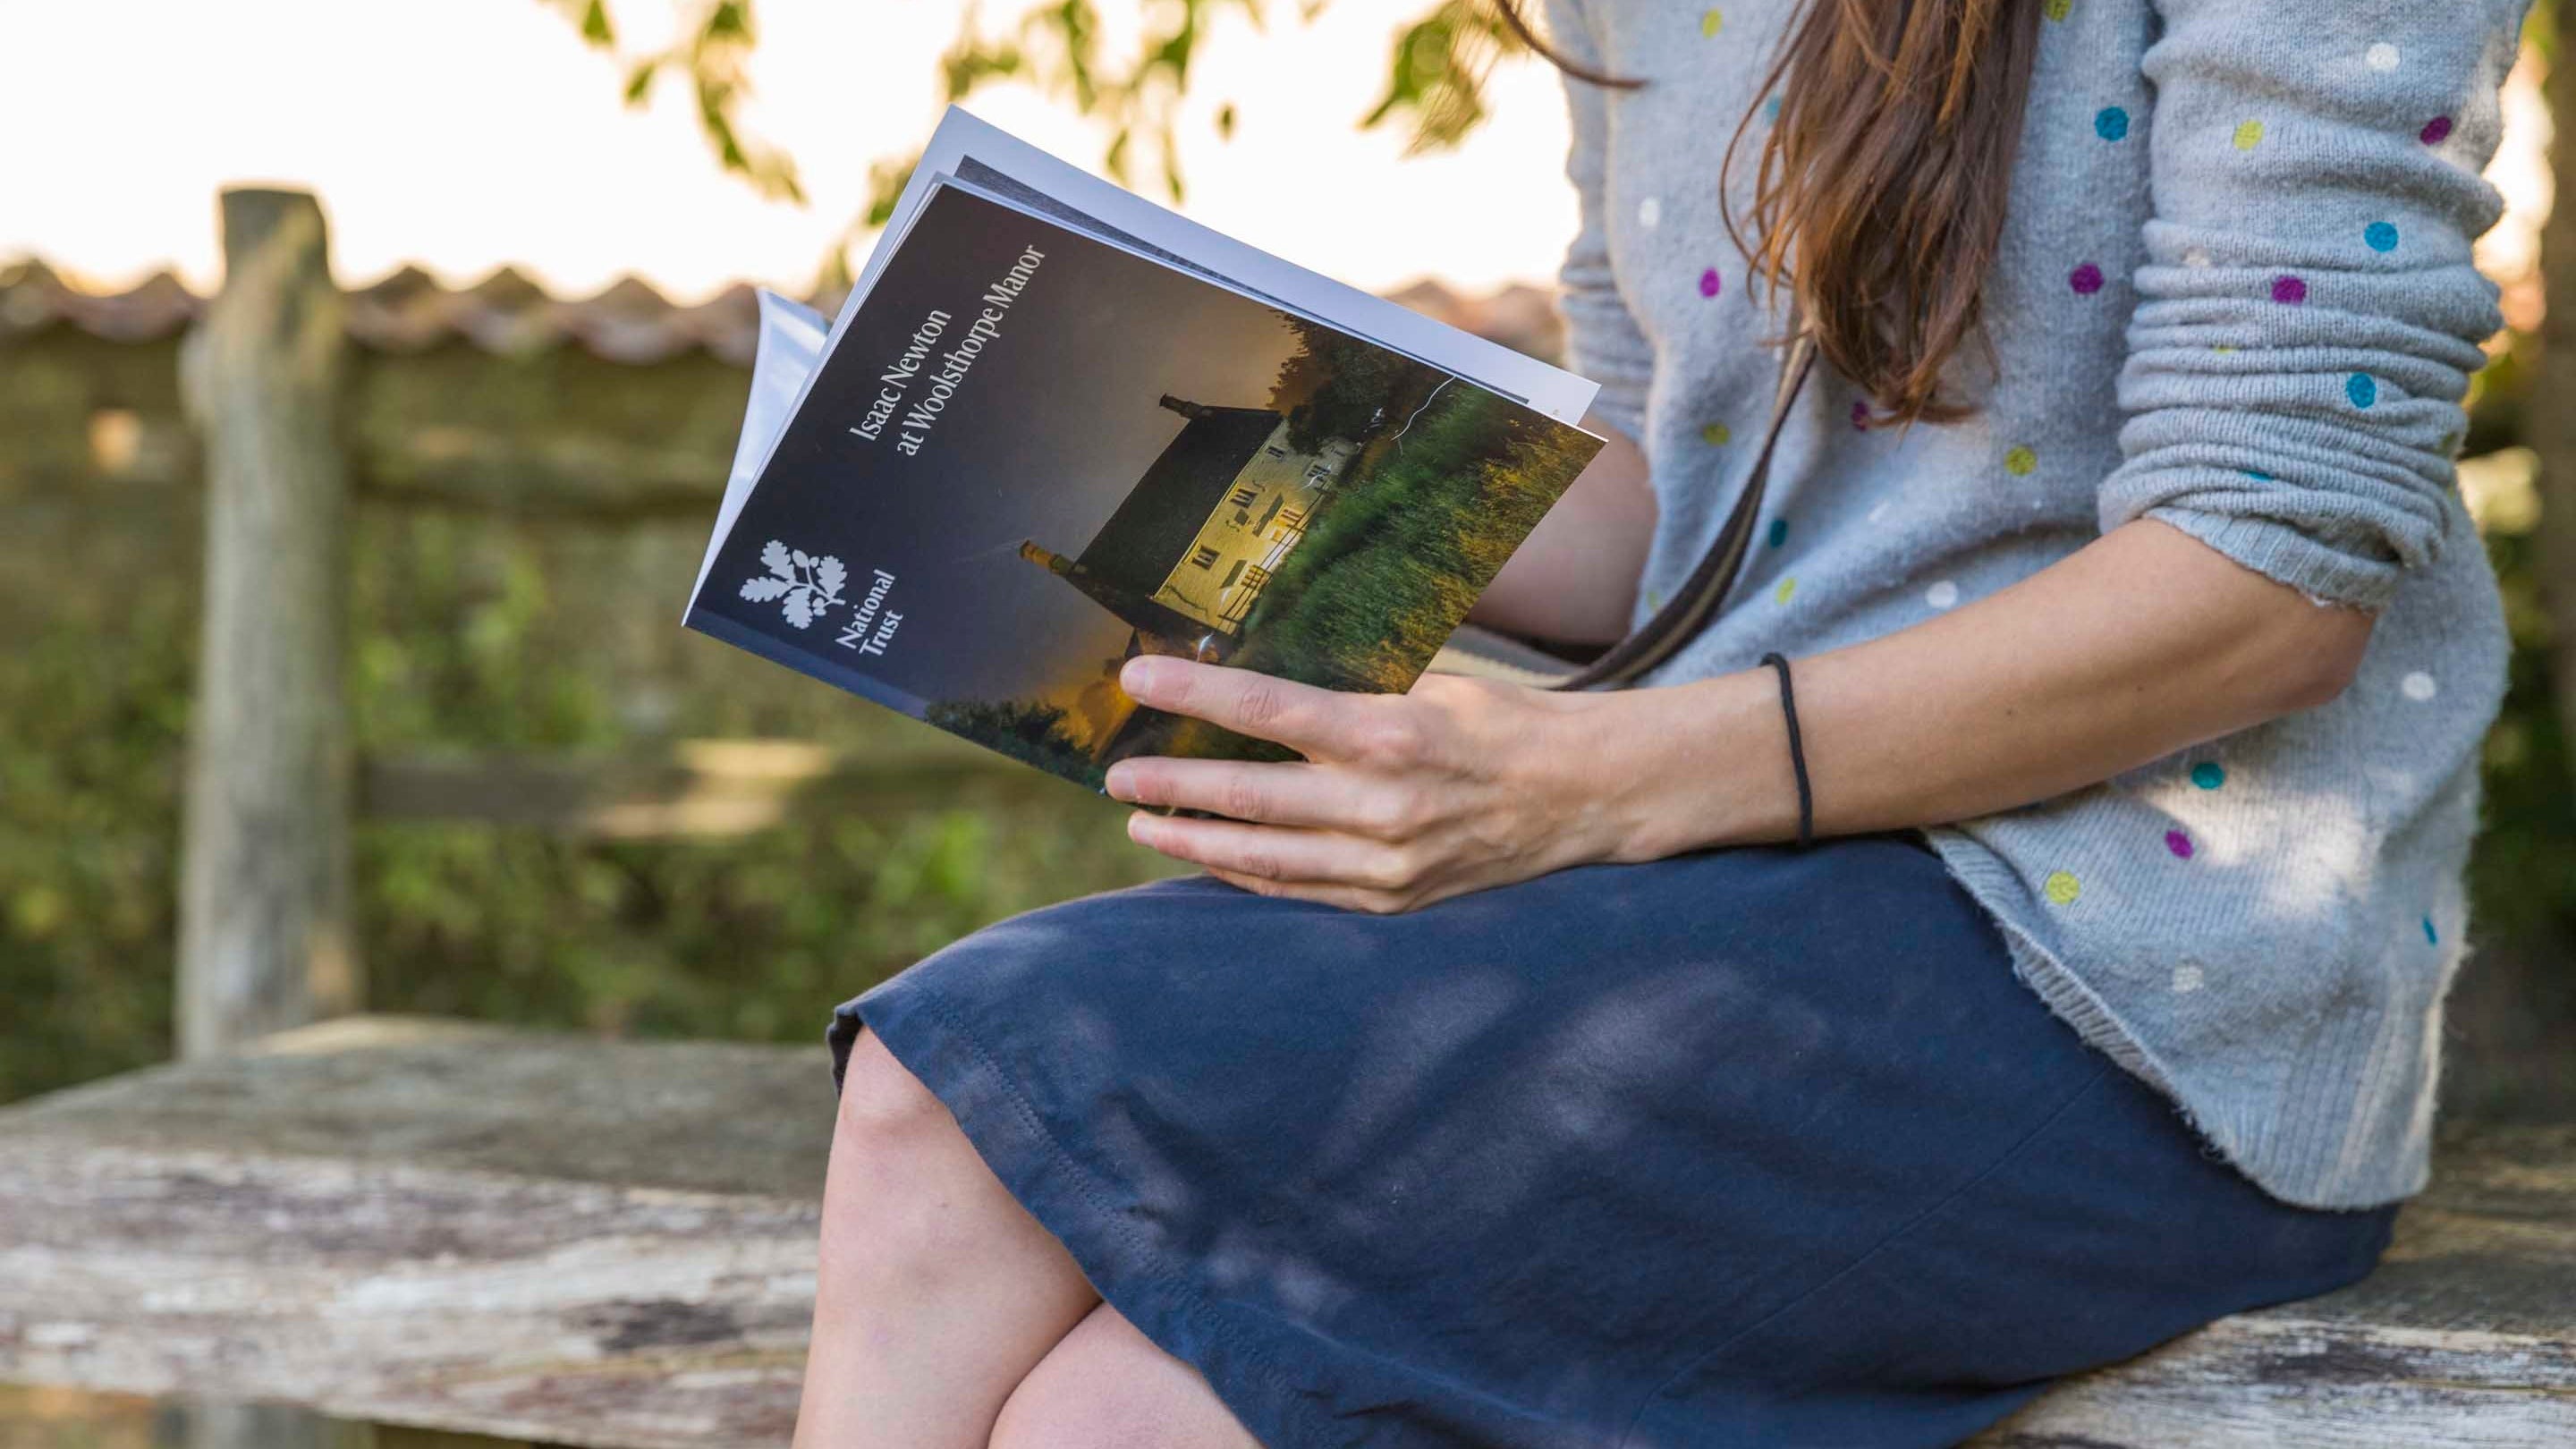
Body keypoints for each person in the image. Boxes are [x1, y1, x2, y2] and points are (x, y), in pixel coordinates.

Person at [792, 1, 2531, 1444]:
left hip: (2138, 976)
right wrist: (1273, 421)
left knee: (996, 1122)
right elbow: (1680, 513)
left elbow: (2271, 584)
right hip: (1730, 890)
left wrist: (1588, 785)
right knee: (1033, 1280)